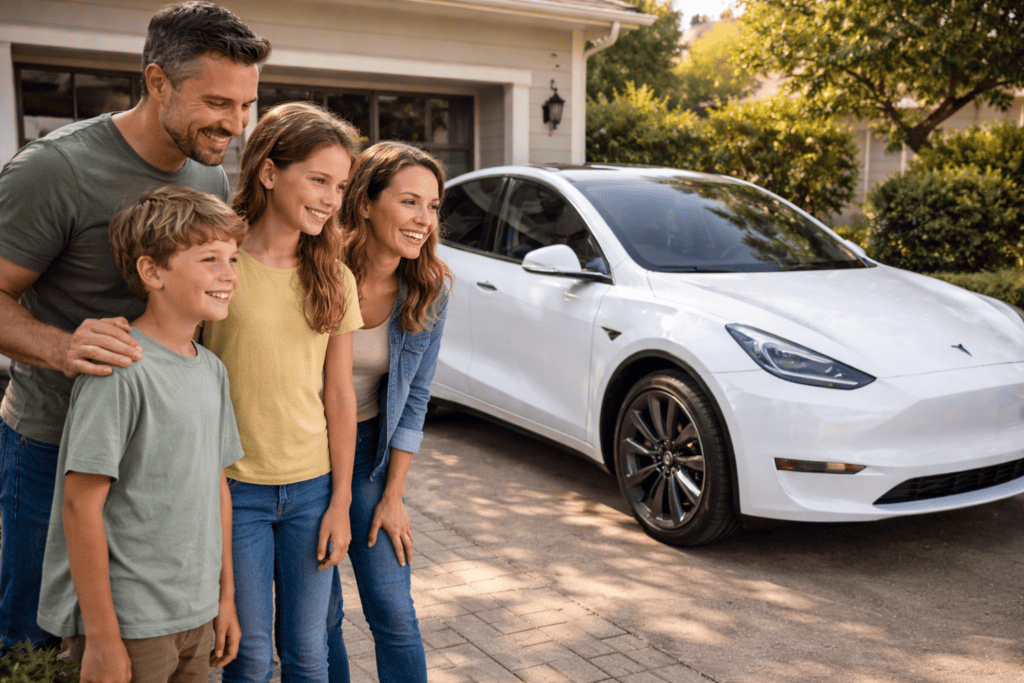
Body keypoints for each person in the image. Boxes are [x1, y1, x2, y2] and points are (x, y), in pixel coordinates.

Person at [0, 1, 269, 651]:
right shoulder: (53, 170)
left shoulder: (206, 171)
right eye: (217, 104)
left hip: (157, 450)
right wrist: (63, 347)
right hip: (53, 441)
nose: (234, 125)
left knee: (134, 626)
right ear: (156, 83)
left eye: (245, 105)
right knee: (36, 633)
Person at [36, 186, 248, 683]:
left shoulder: (212, 369)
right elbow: (79, 505)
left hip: (196, 614)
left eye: (233, 259)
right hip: (131, 623)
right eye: (209, 259)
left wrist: (225, 599)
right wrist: (104, 640)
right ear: (152, 272)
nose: (229, 275)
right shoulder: (120, 368)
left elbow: (217, 488)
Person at [200, 101, 363, 682]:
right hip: (234, 491)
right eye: (318, 179)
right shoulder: (219, 264)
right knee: (245, 657)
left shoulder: (335, 276)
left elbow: (339, 396)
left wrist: (340, 503)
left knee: (308, 654)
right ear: (269, 172)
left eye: (340, 186)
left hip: (312, 491)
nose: (329, 198)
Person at [327, 141, 452, 683]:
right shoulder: (319, 270)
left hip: (372, 457)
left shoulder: (430, 288)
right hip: (304, 452)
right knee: (319, 618)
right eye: (408, 202)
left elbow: (416, 397)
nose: (423, 219)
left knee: (395, 614)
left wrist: (394, 496)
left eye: (432, 205)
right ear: (366, 203)